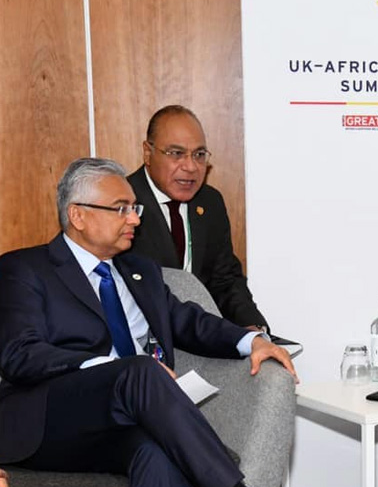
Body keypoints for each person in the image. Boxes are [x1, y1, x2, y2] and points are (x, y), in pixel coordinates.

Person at [0, 158, 297, 487]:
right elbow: (20, 354)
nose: (134, 219)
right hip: (52, 422)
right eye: (121, 208)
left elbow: (189, 320)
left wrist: (251, 341)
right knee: (141, 370)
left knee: (154, 455)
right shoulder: (25, 269)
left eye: (134, 208)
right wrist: (111, 368)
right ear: (78, 215)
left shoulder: (140, 270)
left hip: (124, 424)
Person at [128, 105, 268, 331]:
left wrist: (252, 328)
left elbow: (225, 281)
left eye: (199, 155)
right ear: (147, 153)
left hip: (205, 335)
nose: (191, 166)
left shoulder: (210, 202)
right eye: (176, 154)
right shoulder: (122, 204)